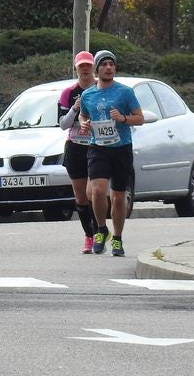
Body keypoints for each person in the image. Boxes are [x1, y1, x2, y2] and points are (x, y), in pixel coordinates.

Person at [79, 49, 143, 257]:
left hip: (121, 148)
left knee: (117, 198)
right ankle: (100, 229)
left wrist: (123, 118)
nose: (109, 67)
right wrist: (85, 125)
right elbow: (82, 116)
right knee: (97, 191)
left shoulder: (125, 92)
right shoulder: (88, 94)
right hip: (98, 148)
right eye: (104, 64)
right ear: (97, 69)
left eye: (111, 64)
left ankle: (117, 238)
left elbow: (140, 118)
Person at [58, 50, 98, 253]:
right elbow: (62, 125)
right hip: (75, 147)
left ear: (93, 68)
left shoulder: (101, 89)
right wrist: (75, 109)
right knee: (81, 196)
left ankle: (100, 230)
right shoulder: (68, 93)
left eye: (88, 66)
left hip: (97, 146)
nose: (84, 69)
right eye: (81, 66)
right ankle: (89, 236)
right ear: (76, 68)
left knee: (95, 192)